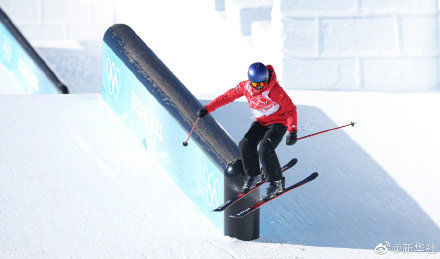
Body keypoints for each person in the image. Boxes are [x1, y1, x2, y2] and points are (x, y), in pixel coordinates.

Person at [197, 62, 298, 200]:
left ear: (267, 78)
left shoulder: (274, 90)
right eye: (255, 84)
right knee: (245, 144)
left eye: (262, 83)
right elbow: (227, 97)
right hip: (262, 122)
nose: (259, 87)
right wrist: (208, 108)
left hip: (278, 122)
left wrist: (292, 130)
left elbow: (290, 109)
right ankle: (254, 174)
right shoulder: (246, 87)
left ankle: (277, 182)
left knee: (265, 148)